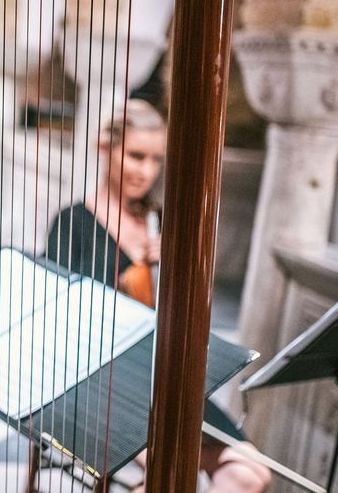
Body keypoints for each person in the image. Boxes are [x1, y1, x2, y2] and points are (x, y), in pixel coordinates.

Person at [43, 99, 270, 493]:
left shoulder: (161, 222)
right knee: (168, 477)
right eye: (135, 156)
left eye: (155, 160)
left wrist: (179, 261)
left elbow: (189, 313)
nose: (146, 171)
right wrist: (126, 276)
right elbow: (63, 319)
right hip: (101, 382)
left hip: (164, 376)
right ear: (104, 149)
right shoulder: (73, 222)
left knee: (250, 475)